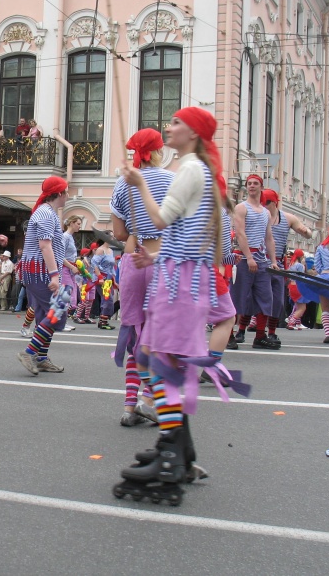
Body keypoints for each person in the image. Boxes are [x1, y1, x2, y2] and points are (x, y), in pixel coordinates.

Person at [113, 107, 229, 505]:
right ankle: (181, 449)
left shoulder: (191, 169)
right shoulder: (197, 169)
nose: (169, 127)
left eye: (177, 122)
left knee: (156, 363)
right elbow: (184, 234)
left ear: (193, 132)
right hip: (177, 274)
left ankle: (170, 452)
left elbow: (160, 221)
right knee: (157, 360)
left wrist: (138, 183)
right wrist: (156, 260)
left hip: (180, 283)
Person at [110, 128, 174, 426]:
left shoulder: (124, 182)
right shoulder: (172, 180)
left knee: (135, 332)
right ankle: (150, 397)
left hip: (133, 261)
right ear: (160, 150)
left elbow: (120, 233)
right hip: (162, 261)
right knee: (160, 336)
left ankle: (129, 405)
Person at [17, 175, 69, 375]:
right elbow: (45, 245)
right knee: (57, 313)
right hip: (41, 272)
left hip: (36, 271)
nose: (68, 195)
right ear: (59, 193)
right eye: (66, 191)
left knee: (43, 315)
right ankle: (30, 353)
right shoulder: (46, 213)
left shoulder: (45, 212)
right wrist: (55, 275)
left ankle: (40, 357)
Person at [230, 175, 277, 348]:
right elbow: (240, 233)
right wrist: (248, 257)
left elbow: (269, 238)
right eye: (249, 183)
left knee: (266, 297)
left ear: (261, 187)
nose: (251, 186)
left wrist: (273, 261)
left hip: (261, 260)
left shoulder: (265, 212)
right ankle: (229, 335)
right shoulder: (241, 208)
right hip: (242, 259)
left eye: (255, 183)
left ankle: (260, 336)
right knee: (237, 298)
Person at [261, 189, 312, 347]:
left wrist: (306, 232)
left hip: (277, 263)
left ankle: (271, 331)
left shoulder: (287, 218)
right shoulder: (258, 214)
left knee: (277, 300)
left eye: (267, 202)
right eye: (262, 202)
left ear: (275, 202)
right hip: (260, 260)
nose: (264, 205)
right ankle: (250, 328)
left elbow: (306, 232)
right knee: (258, 297)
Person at [60, 215, 83, 329]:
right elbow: (60, 255)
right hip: (65, 269)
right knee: (66, 295)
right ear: (71, 223)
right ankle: (60, 322)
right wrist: (71, 266)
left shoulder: (70, 237)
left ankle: (62, 321)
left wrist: (78, 262)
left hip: (70, 270)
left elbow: (70, 255)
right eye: (78, 223)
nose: (80, 226)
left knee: (72, 296)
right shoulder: (65, 237)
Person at [285, 249, 310, 330]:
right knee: (302, 308)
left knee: (297, 306)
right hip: (298, 286)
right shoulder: (299, 265)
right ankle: (291, 322)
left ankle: (297, 323)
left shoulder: (291, 265)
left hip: (291, 286)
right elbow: (302, 278)